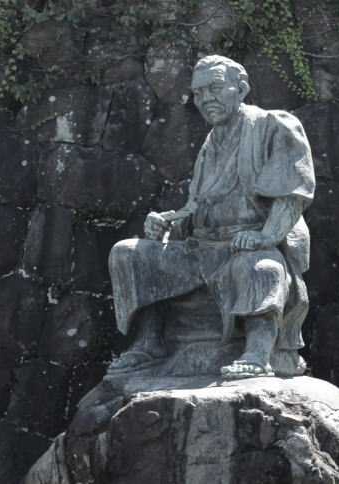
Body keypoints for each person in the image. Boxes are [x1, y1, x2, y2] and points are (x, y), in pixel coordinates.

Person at [107, 55, 315, 379]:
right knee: (129, 253)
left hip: (248, 245)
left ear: (241, 88)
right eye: (199, 93)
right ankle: (150, 344)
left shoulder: (272, 126)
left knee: (265, 269)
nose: (206, 99)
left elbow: (293, 192)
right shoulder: (211, 143)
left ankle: (257, 354)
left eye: (215, 88)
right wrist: (168, 223)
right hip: (203, 248)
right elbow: (199, 206)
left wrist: (266, 236)